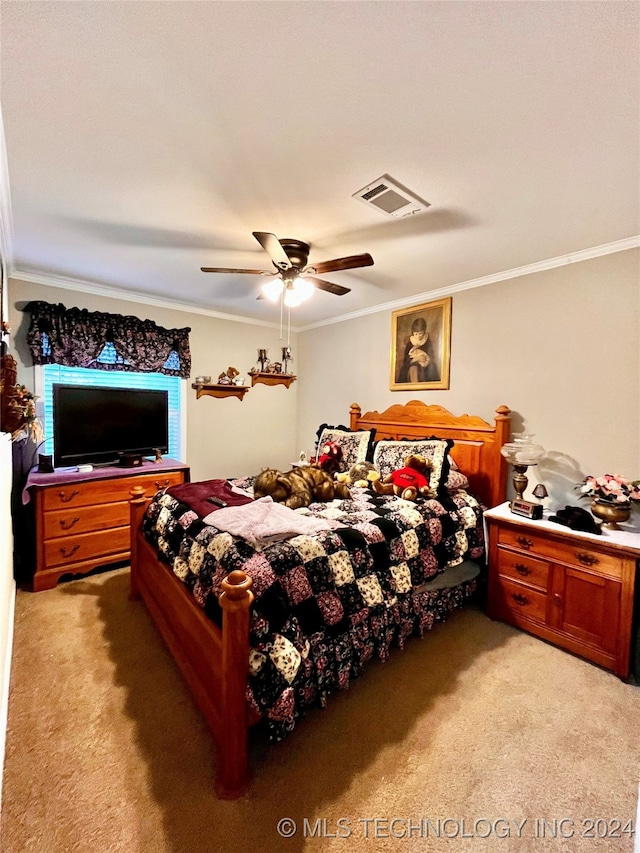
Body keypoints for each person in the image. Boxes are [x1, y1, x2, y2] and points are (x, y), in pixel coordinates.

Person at [398, 317, 439, 383]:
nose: (418, 336)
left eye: (420, 333)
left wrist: (424, 358)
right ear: (413, 333)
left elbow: (431, 356)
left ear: (424, 332)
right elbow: (406, 360)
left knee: (428, 372)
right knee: (413, 368)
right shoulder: (410, 343)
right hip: (411, 364)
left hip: (425, 366)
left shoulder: (427, 342)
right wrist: (416, 359)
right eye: (416, 334)